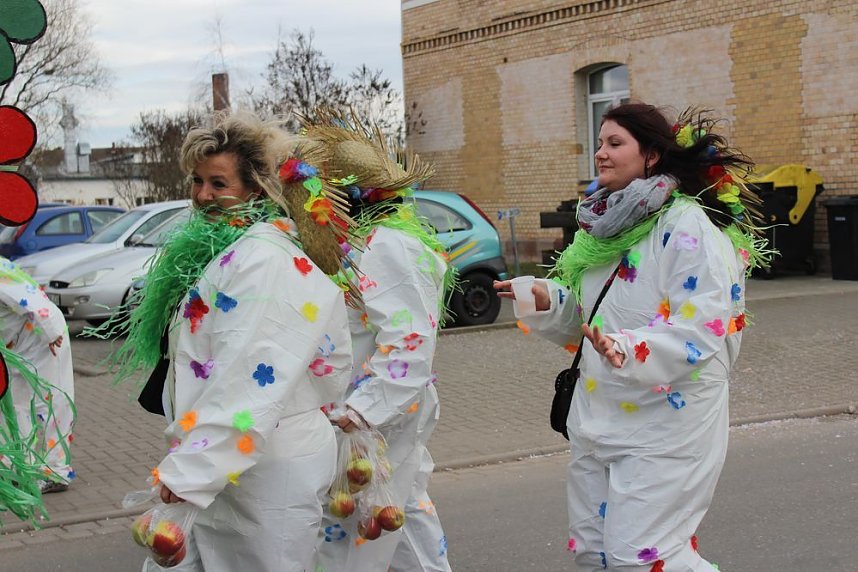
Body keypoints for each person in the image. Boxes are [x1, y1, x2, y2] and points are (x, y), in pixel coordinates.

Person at [495, 103, 769, 571]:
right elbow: (591, 320)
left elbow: (702, 327)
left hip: (667, 424)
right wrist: (546, 298)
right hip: (598, 419)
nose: (601, 153)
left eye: (615, 143)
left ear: (652, 156)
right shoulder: (603, 229)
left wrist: (626, 346)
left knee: (637, 559)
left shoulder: (686, 227)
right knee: (594, 555)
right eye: (600, 143)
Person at [112, 112, 355, 571]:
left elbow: (251, 374)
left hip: (263, 461)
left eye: (218, 183)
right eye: (197, 181)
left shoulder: (264, 258)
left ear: (256, 187)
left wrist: (192, 472)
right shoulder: (236, 248)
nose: (203, 195)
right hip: (233, 453)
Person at [305, 111, 454, 571]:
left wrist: (362, 410)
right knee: (400, 519)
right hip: (368, 415)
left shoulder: (389, 246)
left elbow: (410, 341)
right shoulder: (364, 244)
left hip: (378, 418)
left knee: (364, 536)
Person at [0, 256, 75, 494]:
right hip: (15, 346)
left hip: (42, 338)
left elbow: (30, 299)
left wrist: (51, 333)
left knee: (51, 401)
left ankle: (55, 470)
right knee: (14, 405)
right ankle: (20, 465)